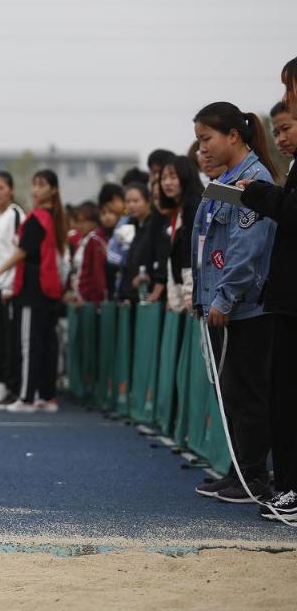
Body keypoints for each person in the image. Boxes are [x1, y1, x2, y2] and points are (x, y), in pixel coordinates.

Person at [190, 101, 278, 504]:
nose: (202, 148)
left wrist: (224, 297)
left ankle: (254, 477)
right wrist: (202, 295)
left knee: (247, 394)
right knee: (232, 394)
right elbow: (206, 246)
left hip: (246, 307)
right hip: (222, 303)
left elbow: (247, 250)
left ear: (233, 135)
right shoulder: (223, 180)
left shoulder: (254, 180)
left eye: (206, 138)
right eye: (198, 140)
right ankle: (239, 469)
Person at [238, 69, 297, 522]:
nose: (285, 96)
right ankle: (286, 483)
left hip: (286, 298)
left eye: (289, 87)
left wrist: (259, 195)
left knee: (283, 395)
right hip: (284, 296)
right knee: (280, 394)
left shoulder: (259, 177)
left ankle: (289, 488)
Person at [0, 170, 68, 413]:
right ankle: (47, 396)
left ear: (53, 190)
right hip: (49, 288)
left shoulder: (37, 218)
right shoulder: (55, 218)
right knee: (46, 343)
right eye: (34, 184)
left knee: (29, 345)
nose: (35, 190)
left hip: (33, 288)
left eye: (41, 185)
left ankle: (27, 397)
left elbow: (21, 252)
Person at [0, 171, 27, 409]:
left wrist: (11, 283)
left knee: (12, 340)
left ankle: (14, 386)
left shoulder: (15, 214)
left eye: (2, 188)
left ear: (11, 190)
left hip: (10, 285)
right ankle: (3, 382)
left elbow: (20, 251)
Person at [158, 155, 203, 313]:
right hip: (184, 285)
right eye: (163, 178)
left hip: (194, 284)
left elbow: (194, 249)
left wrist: (190, 289)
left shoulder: (194, 206)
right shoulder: (180, 209)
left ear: (186, 177)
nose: (166, 183)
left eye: (173, 177)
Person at [117, 183, 168, 304]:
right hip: (133, 297)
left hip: (152, 296)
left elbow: (162, 259)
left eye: (136, 201)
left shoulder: (156, 225)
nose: (131, 205)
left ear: (148, 201)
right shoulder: (132, 226)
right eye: (128, 201)